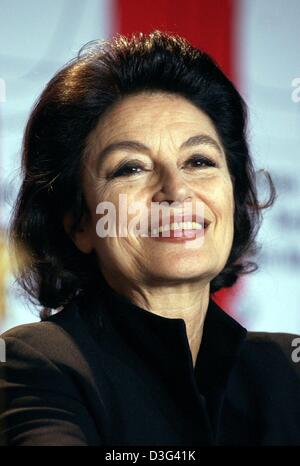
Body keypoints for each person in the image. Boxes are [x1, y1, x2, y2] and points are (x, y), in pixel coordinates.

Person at [0, 30, 299, 446]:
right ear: (78, 223)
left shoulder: (288, 370)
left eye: (198, 160)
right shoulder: (33, 363)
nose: (175, 191)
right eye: (131, 168)